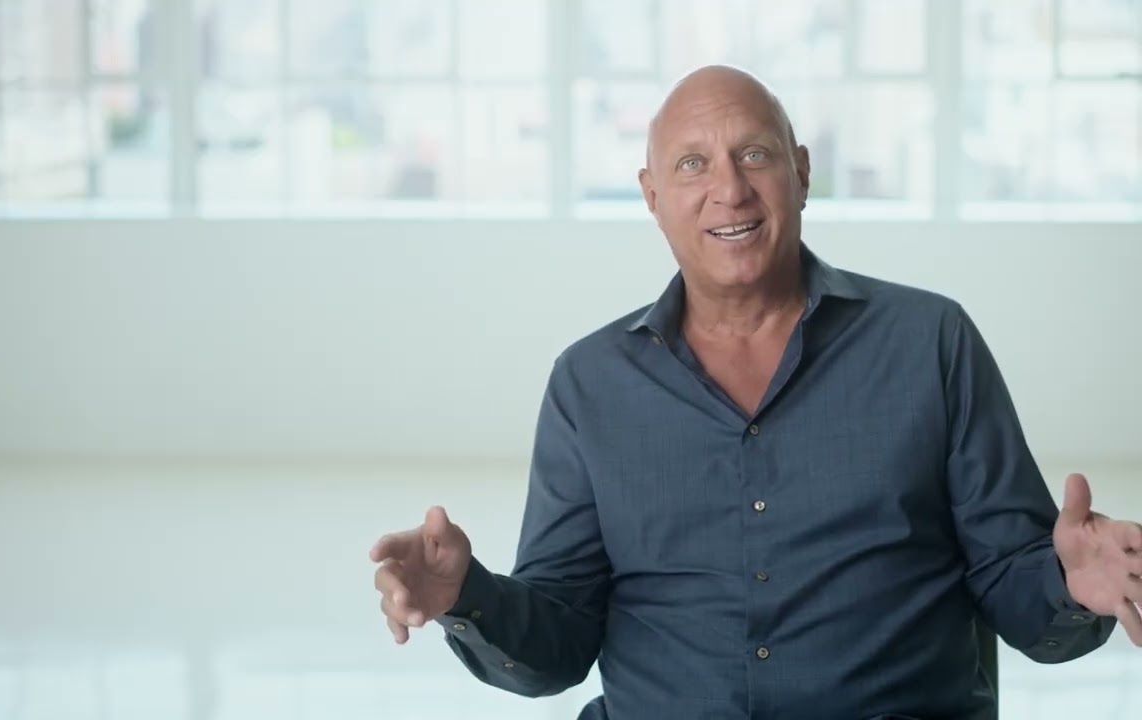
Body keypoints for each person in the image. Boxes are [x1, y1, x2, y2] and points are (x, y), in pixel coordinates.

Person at [369, 65, 1142, 719]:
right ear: (651, 195)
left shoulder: (930, 342)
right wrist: (468, 595)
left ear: (801, 172)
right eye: (692, 164)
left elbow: (1020, 595)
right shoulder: (589, 384)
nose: (730, 190)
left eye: (754, 154)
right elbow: (557, 646)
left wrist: (1071, 585)